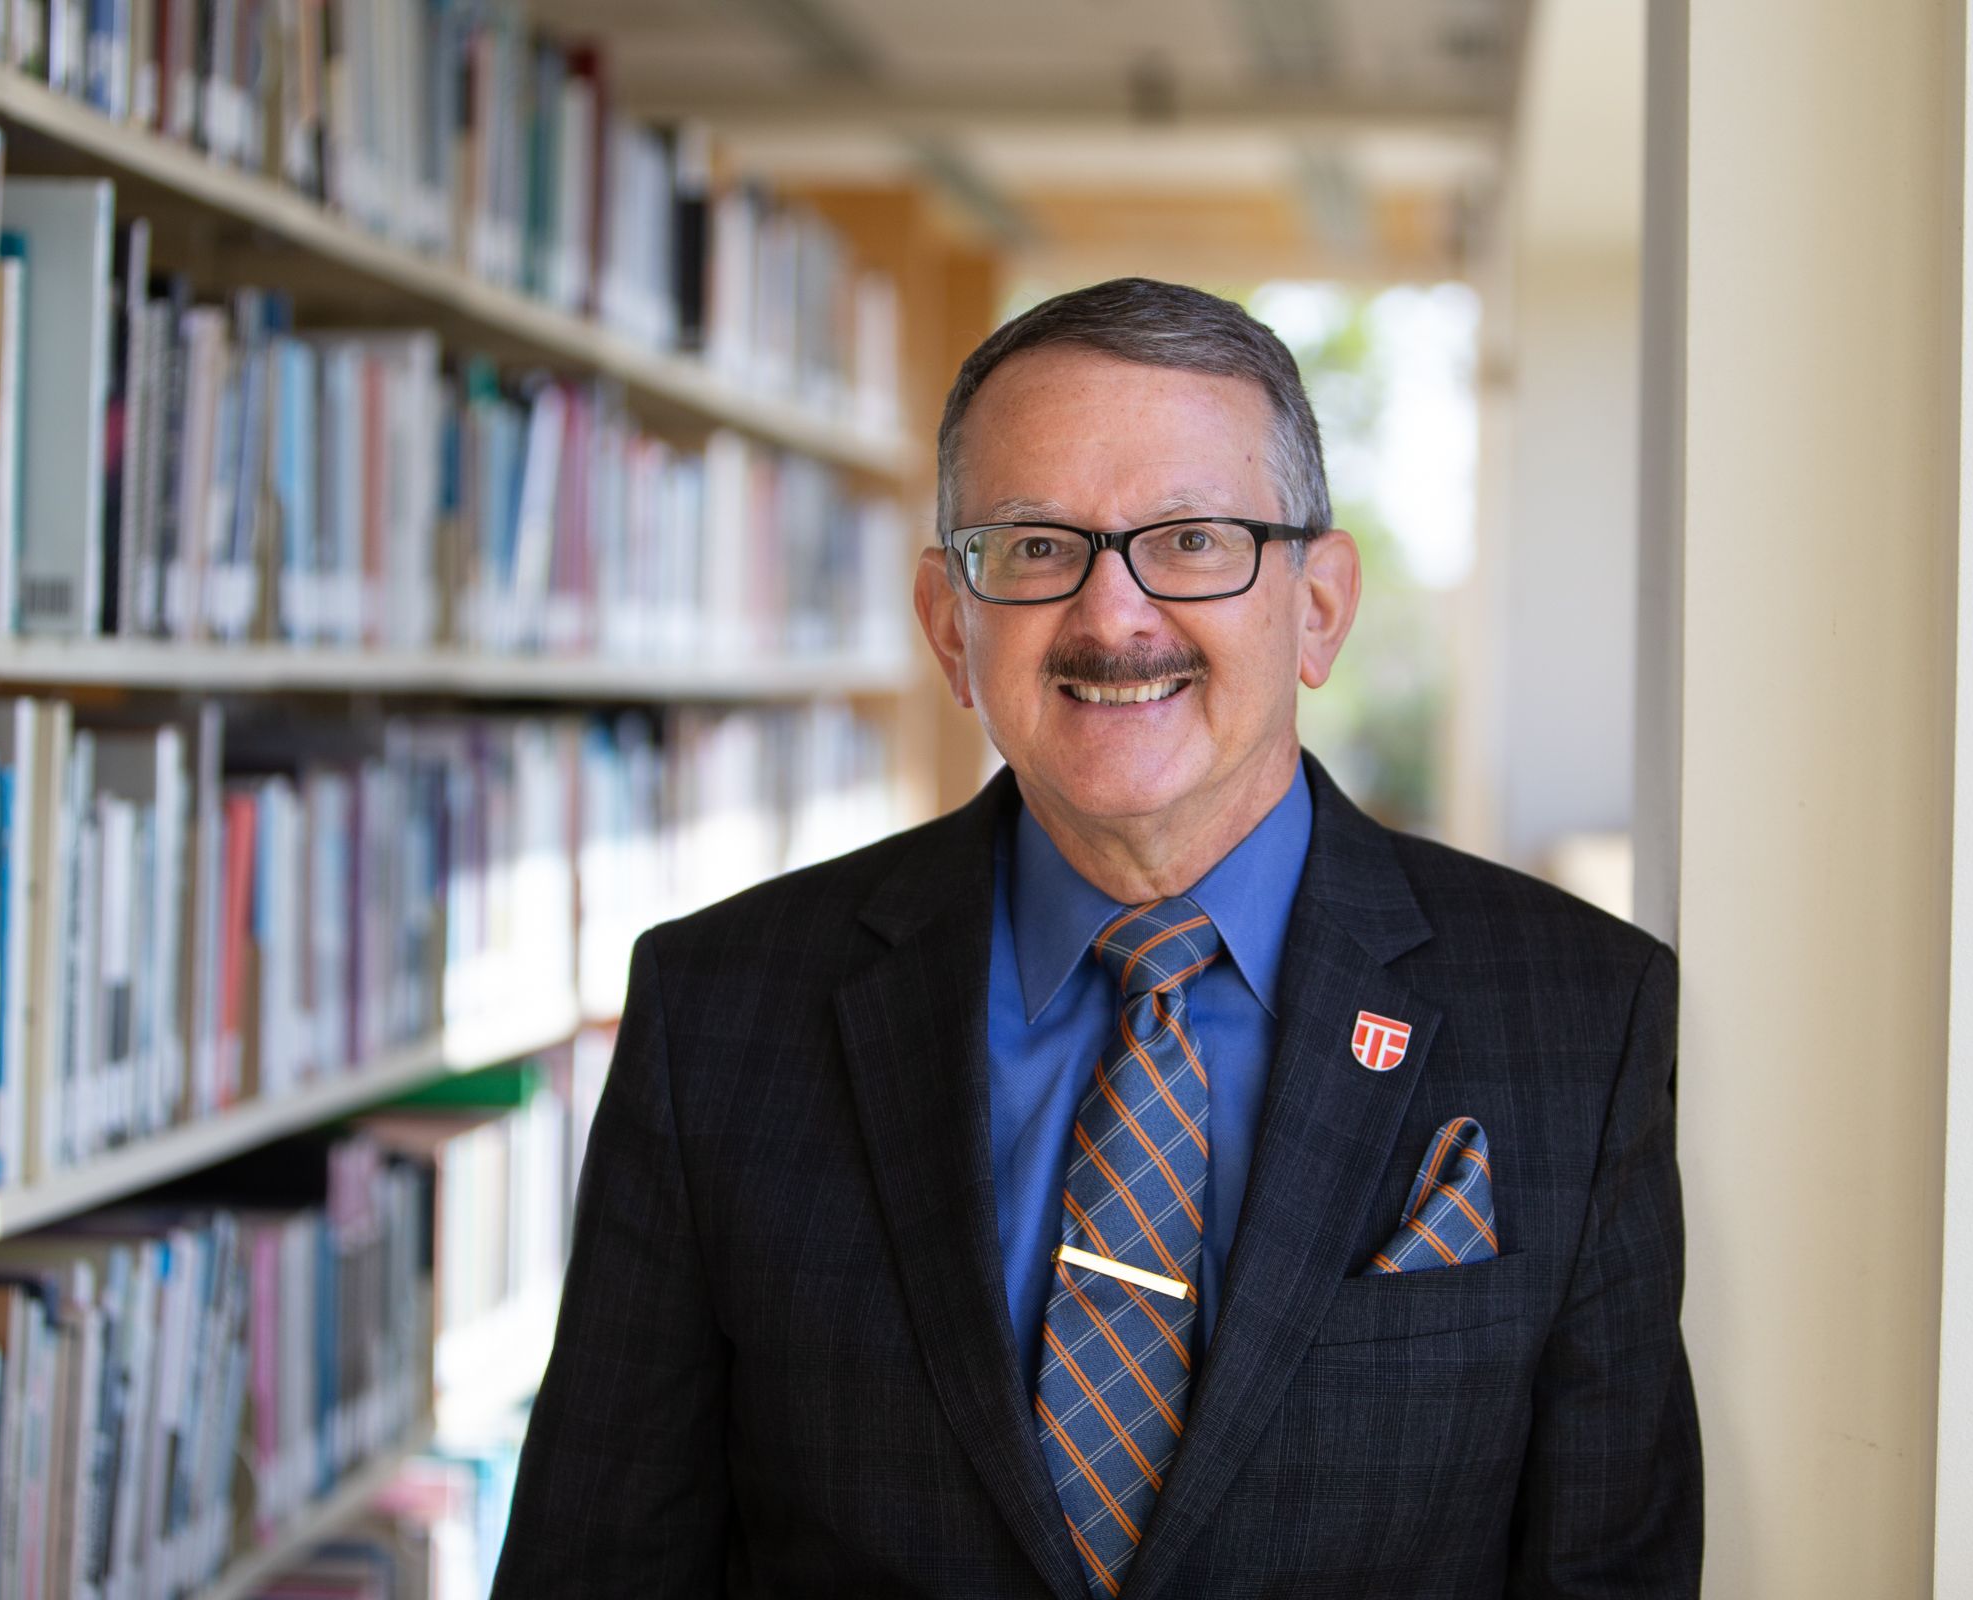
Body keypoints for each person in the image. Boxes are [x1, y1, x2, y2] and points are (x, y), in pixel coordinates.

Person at [491, 278, 1700, 1599]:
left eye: (1191, 540)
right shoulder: (716, 1012)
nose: (1113, 616)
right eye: (1033, 545)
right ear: (952, 627)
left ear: (1319, 607)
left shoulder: (1581, 1017)